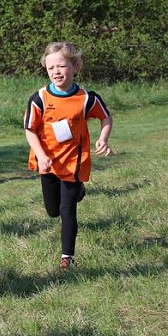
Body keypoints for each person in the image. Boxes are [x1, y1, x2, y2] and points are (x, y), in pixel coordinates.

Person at [24, 42, 113, 269]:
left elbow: (106, 117)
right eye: (51, 67)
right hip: (48, 162)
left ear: (74, 66)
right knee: (52, 210)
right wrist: (41, 155)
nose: (56, 72)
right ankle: (79, 192)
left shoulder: (86, 99)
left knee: (67, 210)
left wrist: (103, 138)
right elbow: (30, 129)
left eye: (61, 66)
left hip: (74, 162)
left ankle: (67, 258)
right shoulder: (40, 99)